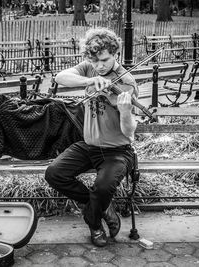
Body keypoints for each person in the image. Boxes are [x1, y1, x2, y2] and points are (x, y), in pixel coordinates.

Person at [44, 28, 138, 247]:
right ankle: (102, 207)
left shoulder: (127, 82)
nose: (100, 66)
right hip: (88, 146)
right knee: (54, 173)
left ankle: (94, 223)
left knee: (103, 188)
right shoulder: (89, 69)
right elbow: (60, 77)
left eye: (104, 60)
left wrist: (125, 112)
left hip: (117, 151)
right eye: (95, 62)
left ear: (115, 53)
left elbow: (130, 132)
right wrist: (89, 80)